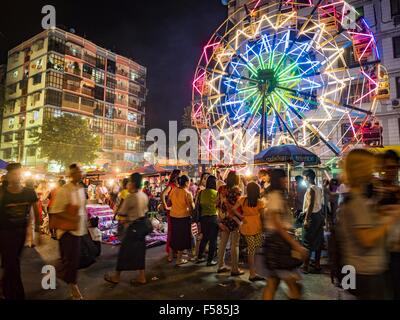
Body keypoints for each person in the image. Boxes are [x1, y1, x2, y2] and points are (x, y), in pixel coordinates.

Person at [337, 149, 400, 300]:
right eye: (372, 167)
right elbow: (367, 239)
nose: (375, 172)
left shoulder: (353, 198)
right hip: (366, 272)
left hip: (353, 268)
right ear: (362, 169)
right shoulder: (357, 202)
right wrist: (391, 218)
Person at [262, 169, 307, 300]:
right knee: (285, 282)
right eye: (284, 178)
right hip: (278, 244)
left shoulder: (278, 195)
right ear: (278, 180)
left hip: (277, 243)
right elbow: (277, 224)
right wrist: (295, 245)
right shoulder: (275, 196)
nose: (286, 181)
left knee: (274, 282)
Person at [0, 163, 40, 300]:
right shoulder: (2, 192)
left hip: (21, 233)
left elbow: (36, 210)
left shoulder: (29, 192)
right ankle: (16, 293)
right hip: (4, 233)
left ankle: (5, 287)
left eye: (19, 173)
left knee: (12, 262)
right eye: (14, 174)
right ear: (8, 176)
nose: (17, 176)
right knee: (12, 263)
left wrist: (38, 229)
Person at [104, 173, 150, 285]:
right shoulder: (143, 195)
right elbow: (145, 211)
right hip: (142, 227)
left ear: (133, 183)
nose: (127, 184)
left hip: (132, 228)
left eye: (129, 182)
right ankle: (142, 277)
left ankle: (116, 277)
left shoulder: (131, 197)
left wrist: (124, 224)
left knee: (123, 253)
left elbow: (123, 215)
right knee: (140, 252)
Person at [50, 164, 87, 300]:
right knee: (71, 261)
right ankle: (73, 287)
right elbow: (55, 210)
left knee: (74, 259)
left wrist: (85, 222)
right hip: (67, 231)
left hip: (79, 229)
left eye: (80, 171)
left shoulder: (81, 188)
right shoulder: (64, 190)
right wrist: (72, 217)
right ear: (71, 174)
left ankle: (62, 274)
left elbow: (83, 208)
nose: (80, 174)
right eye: (77, 172)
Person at [378, 150, 400, 299]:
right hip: (382, 250)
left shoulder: (397, 190)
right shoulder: (375, 191)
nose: (390, 171)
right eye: (387, 167)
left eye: (393, 167)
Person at [232, 182, 265, 282]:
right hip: (257, 227)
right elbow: (263, 217)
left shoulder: (242, 199)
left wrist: (241, 216)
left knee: (251, 250)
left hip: (246, 227)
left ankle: (252, 273)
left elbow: (233, 209)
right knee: (256, 249)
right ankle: (254, 273)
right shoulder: (260, 202)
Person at [216, 170, 243, 276]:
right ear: (236, 179)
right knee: (234, 244)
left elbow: (217, 203)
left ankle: (220, 266)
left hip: (224, 218)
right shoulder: (236, 190)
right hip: (234, 218)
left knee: (223, 242)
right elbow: (238, 205)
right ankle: (234, 269)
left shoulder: (222, 188)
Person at [301, 169, 324, 274]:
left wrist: (306, 219)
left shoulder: (311, 189)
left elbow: (310, 205)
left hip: (312, 216)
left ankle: (305, 266)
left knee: (307, 241)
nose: (304, 180)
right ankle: (317, 264)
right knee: (318, 241)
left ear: (308, 177)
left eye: (304, 178)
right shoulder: (319, 188)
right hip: (319, 216)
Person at [169, 175, 194, 266]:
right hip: (183, 217)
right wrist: (192, 216)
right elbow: (191, 208)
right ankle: (179, 259)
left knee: (175, 235)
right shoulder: (187, 193)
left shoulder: (174, 190)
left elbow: (170, 200)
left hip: (173, 216)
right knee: (182, 238)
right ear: (187, 182)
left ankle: (171, 256)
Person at [196, 175, 219, 266]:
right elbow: (218, 205)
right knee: (213, 240)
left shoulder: (201, 193)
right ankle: (210, 261)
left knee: (204, 238)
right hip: (213, 218)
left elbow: (199, 205)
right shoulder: (216, 193)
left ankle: (200, 257)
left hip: (203, 218)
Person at [161, 169, 181, 262]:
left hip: (178, 210)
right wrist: (165, 206)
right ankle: (170, 253)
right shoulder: (171, 185)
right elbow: (163, 194)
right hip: (172, 210)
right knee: (171, 231)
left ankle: (175, 251)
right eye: (180, 174)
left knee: (176, 231)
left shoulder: (178, 185)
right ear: (176, 176)